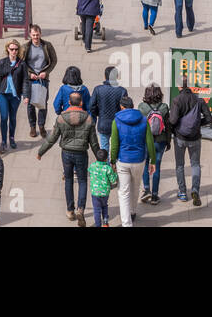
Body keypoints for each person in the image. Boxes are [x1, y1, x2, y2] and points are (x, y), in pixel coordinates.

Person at [37, 88, 102, 222]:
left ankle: (70, 210)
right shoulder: (88, 119)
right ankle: (81, 209)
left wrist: (41, 152)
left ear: (69, 102)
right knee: (82, 181)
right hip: (81, 153)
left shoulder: (61, 118)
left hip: (66, 153)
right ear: (81, 103)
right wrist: (100, 157)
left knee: (68, 180)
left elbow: (52, 139)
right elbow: (94, 142)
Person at [109, 95, 155, 227]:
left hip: (123, 160)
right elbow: (150, 142)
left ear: (121, 107)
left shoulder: (116, 121)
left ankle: (126, 223)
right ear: (133, 106)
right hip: (139, 160)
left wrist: (112, 160)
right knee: (135, 186)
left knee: (123, 192)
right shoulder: (143, 120)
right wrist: (153, 161)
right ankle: (133, 211)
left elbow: (114, 144)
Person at [167, 77, 212, 205]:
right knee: (195, 165)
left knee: (180, 165)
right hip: (195, 138)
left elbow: (173, 121)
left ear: (179, 86)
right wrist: (198, 125)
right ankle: (195, 189)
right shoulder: (199, 100)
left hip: (180, 138)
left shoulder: (177, 100)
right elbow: (209, 119)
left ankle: (182, 192)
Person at [0, 40, 29, 151]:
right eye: (12, 49)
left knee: (12, 117)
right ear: (8, 49)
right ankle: (3, 141)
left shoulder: (22, 64)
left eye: (16, 49)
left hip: (15, 96)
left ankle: (11, 138)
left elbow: (25, 81)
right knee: (4, 117)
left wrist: (26, 95)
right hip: (3, 94)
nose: (14, 51)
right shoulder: (2, 62)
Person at [21, 25, 57, 139]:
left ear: (40, 34)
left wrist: (46, 72)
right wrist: (29, 74)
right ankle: (32, 127)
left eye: (37, 35)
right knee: (30, 104)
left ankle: (41, 126)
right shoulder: (25, 47)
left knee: (42, 103)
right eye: (33, 35)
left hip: (42, 79)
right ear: (30, 35)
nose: (36, 37)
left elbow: (54, 60)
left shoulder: (47, 45)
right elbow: (21, 64)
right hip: (30, 79)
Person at [138, 84, 171, 204]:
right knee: (156, 166)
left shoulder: (142, 107)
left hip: (146, 140)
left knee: (146, 165)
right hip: (160, 141)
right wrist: (168, 141)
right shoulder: (164, 107)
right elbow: (168, 126)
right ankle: (155, 195)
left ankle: (147, 189)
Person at [89, 65, 130, 147]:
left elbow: (91, 106)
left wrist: (99, 113)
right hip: (118, 123)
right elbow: (126, 108)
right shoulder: (122, 91)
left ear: (105, 76)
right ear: (117, 76)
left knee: (104, 147)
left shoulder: (98, 89)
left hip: (103, 123)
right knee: (117, 147)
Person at [88, 146, 118, 227]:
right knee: (104, 206)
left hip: (95, 193)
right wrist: (115, 173)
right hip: (105, 193)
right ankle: (105, 222)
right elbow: (113, 180)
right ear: (106, 159)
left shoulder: (92, 166)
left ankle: (98, 225)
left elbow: (89, 171)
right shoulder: (108, 168)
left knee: (97, 210)